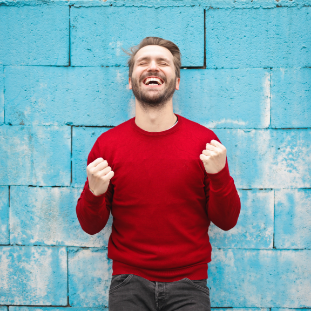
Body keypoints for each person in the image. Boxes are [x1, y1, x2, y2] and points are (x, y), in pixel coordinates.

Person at [76, 37, 241, 311]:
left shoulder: (205, 142)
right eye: (143, 62)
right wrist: (94, 193)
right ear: (131, 80)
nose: (152, 67)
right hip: (128, 284)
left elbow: (227, 221)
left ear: (176, 82)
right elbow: (91, 226)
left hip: (190, 285)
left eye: (162, 62)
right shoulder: (107, 145)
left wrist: (220, 175)